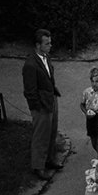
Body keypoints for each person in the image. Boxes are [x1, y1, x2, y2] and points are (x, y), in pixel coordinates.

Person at [21, 28, 62, 180]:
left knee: (51, 131)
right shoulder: (30, 65)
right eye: (47, 43)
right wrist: (37, 107)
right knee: (41, 135)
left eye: (50, 43)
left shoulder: (46, 57)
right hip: (41, 106)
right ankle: (38, 166)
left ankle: (49, 159)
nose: (50, 45)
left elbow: (49, 77)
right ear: (38, 45)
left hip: (50, 99)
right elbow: (30, 91)